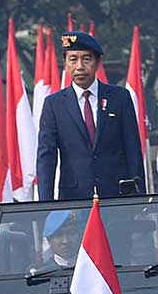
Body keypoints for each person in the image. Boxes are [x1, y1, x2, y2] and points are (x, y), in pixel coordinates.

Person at [37, 31, 145, 201]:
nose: (80, 66)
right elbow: (46, 157)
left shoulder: (119, 98)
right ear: (65, 64)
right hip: (74, 199)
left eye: (86, 59)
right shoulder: (54, 104)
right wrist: (45, 205)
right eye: (73, 59)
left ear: (97, 63)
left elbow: (133, 151)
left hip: (117, 196)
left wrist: (140, 199)